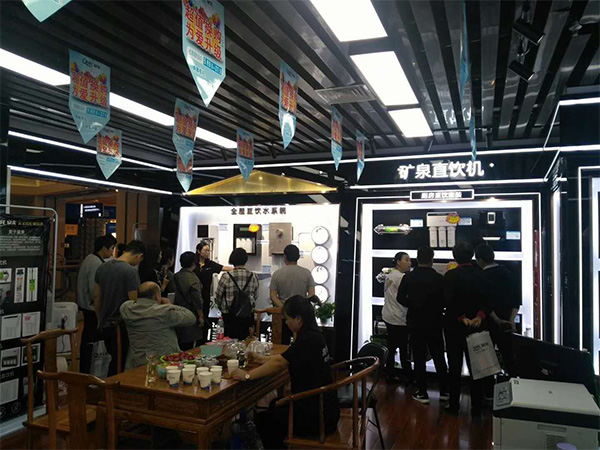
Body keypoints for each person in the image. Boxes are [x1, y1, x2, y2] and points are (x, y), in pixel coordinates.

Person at [232, 295, 340, 449]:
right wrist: (261, 358)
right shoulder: (315, 335)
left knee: (263, 420)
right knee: (274, 405)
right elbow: (286, 357)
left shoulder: (307, 340)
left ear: (298, 319)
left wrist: (247, 376)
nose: (286, 322)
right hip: (326, 408)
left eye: (288, 319)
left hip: (317, 416)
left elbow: (279, 363)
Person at [444, 242, 490, 416]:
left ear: (455, 257)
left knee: (454, 368)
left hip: (454, 327)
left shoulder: (450, 276)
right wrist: (479, 316)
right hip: (477, 327)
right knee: (477, 368)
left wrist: (461, 318)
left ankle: (453, 405)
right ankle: (477, 406)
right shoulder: (482, 274)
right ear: (472, 256)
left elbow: (448, 301)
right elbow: (488, 300)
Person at [397, 246, 448, 403]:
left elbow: (400, 298)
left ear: (417, 259)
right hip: (435, 321)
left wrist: (412, 305)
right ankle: (444, 391)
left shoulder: (409, 277)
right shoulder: (439, 278)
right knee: (439, 356)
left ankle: (422, 392)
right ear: (432, 259)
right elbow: (446, 300)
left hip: (415, 321)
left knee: (419, 357)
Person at [94, 240, 145, 376]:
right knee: (119, 363)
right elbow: (133, 303)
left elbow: (96, 296)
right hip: (120, 324)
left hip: (105, 322)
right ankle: (113, 387)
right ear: (139, 256)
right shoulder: (130, 272)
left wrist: (99, 319)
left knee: (113, 358)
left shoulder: (102, 267)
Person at [120, 282, 196, 370]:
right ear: (157, 295)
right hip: (164, 363)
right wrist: (170, 305)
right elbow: (191, 318)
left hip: (137, 363)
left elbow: (130, 303)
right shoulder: (164, 311)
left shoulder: (126, 309)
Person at [475, 244, 520, 377]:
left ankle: (490, 388)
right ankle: (514, 384)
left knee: (487, 360)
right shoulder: (509, 274)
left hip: (489, 323)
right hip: (507, 321)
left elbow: (485, 303)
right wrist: (511, 320)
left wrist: (497, 320)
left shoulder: (481, 276)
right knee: (509, 357)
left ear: (480, 260)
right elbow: (516, 299)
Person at [77, 234, 116, 374]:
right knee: (91, 343)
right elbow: (95, 291)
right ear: (104, 248)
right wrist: (100, 313)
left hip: (86, 306)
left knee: (88, 341)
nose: (112, 252)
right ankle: (89, 372)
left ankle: (86, 371)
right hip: (92, 308)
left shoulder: (90, 259)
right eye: (111, 248)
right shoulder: (96, 264)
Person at [270, 244, 316, 343]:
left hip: (284, 317)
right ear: (298, 257)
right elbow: (312, 294)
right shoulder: (306, 273)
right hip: (301, 318)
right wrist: (301, 306)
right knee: (302, 344)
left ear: (285, 257)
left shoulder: (277, 274)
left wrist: (285, 308)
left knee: (283, 344)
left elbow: (273, 296)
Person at [214, 248, 259, 340]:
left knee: (229, 341)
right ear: (245, 260)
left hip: (229, 315)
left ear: (232, 259)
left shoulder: (226, 276)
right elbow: (255, 295)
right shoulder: (253, 276)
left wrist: (221, 307)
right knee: (246, 340)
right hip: (247, 314)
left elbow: (218, 296)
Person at [381, 251, 412, 383]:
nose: (409, 263)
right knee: (404, 349)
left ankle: (391, 374)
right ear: (398, 262)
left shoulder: (390, 275)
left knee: (392, 346)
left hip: (388, 315)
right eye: (406, 260)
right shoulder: (401, 277)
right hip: (399, 317)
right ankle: (408, 376)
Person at [193, 241, 232, 341]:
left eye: (208, 251)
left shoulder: (210, 264)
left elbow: (223, 268)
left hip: (205, 296)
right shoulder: (193, 264)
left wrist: (235, 269)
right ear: (199, 251)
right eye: (205, 250)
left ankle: (202, 340)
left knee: (204, 319)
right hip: (193, 295)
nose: (207, 253)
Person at [173, 251, 204, 350]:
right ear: (194, 263)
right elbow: (196, 298)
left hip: (176, 314)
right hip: (191, 314)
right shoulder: (192, 278)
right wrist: (200, 315)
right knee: (191, 348)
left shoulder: (175, 276)